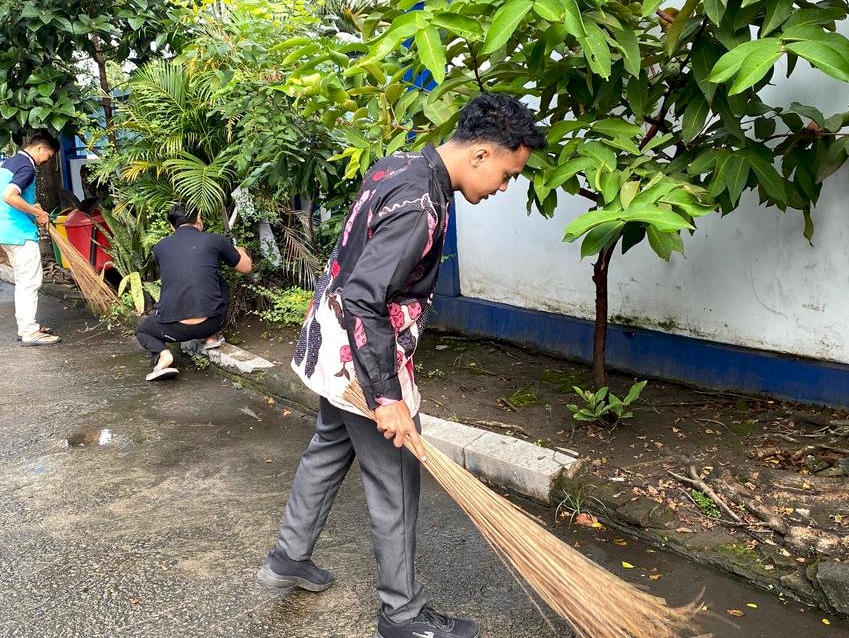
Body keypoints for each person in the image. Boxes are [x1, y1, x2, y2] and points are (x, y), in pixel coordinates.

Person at [257, 94, 546, 638]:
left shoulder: (402, 165)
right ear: (482, 154)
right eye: (508, 175)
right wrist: (387, 397)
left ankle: (288, 557)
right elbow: (367, 297)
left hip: (333, 339)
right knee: (396, 476)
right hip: (361, 354)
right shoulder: (422, 205)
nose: (505, 187)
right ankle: (403, 614)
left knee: (329, 444)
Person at [136, 204, 252, 382]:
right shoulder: (214, 240)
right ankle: (211, 338)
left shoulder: (159, 247)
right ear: (199, 222)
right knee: (219, 282)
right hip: (210, 323)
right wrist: (241, 252)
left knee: (143, 330)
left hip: (172, 329)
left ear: (172, 227)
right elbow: (246, 268)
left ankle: (163, 355)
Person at [0, 131, 61, 346]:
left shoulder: (11, 162)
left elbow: (15, 195)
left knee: (24, 281)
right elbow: (9, 196)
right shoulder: (27, 167)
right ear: (40, 148)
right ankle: (29, 331)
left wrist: (33, 206)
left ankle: (26, 326)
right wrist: (37, 214)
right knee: (30, 282)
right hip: (20, 233)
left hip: (7, 232)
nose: (46, 161)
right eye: (49, 156)